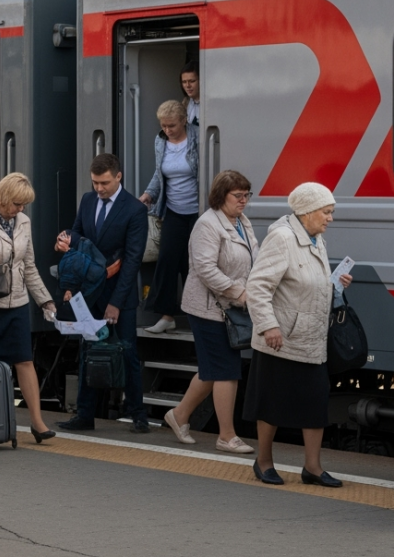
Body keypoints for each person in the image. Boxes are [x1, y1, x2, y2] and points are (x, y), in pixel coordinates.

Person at [244, 182, 352, 488]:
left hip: (311, 338)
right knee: (271, 403)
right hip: (280, 339)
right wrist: (268, 326)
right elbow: (258, 286)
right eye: (327, 212)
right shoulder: (282, 238)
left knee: (315, 403)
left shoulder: (315, 238)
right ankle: (264, 461)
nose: (330, 218)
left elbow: (307, 283)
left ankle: (313, 468)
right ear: (307, 212)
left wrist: (336, 284)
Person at [55, 153, 150, 433]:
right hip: (88, 292)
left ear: (118, 177)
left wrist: (116, 303)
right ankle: (85, 414)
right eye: (95, 182)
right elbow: (77, 232)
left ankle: (138, 414)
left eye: (104, 183)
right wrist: (66, 240)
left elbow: (133, 260)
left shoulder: (134, 210)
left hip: (117, 294)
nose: (99, 188)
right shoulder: (87, 200)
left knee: (128, 352)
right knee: (88, 351)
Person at [166, 170, 258, 453]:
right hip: (208, 309)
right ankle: (226, 436)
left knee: (211, 371)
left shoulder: (241, 221)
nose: (244, 201)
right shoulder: (207, 224)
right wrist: (238, 292)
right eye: (238, 196)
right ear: (221, 196)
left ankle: (179, 415)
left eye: (247, 195)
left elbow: (254, 256)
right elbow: (205, 269)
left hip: (229, 307)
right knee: (226, 370)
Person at [0, 172, 58, 443]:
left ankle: (38, 423)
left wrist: (45, 300)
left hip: (17, 303)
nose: (21, 209)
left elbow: (29, 266)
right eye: (17, 203)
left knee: (24, 361)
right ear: (3, 199)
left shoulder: (23, 222)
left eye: (24, 204)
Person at [139, 99, 199, 334]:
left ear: (184, 121)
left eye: (172, 125)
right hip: (173, 209)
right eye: (163, 126)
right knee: (166, 260)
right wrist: (148, 194)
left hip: (197, 211)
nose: (167, 130)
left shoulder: (197, 137)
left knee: (192, 264)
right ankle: (166, 316)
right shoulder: (160, 141)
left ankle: (197, 316)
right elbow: (159, 173)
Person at [181, 60, 200, 126]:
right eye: (184, 82)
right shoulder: (185, 103)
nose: (187, 85)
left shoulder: (211, 105)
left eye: (192, 81)